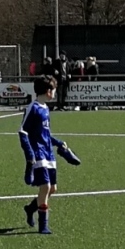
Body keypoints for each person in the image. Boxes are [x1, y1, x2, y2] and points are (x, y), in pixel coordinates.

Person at [19, 75, 74, 234]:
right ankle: (43, 225)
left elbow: (46, 134)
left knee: (53, 189)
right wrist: (29, 154)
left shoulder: (45, 108)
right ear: (48, 91)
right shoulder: (33, 108)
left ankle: (30, 209)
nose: (55, 93)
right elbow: (22, 131)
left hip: (49, 152)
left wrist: (58, 143)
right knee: (46, 187)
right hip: (38, 153)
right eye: (54, 89)